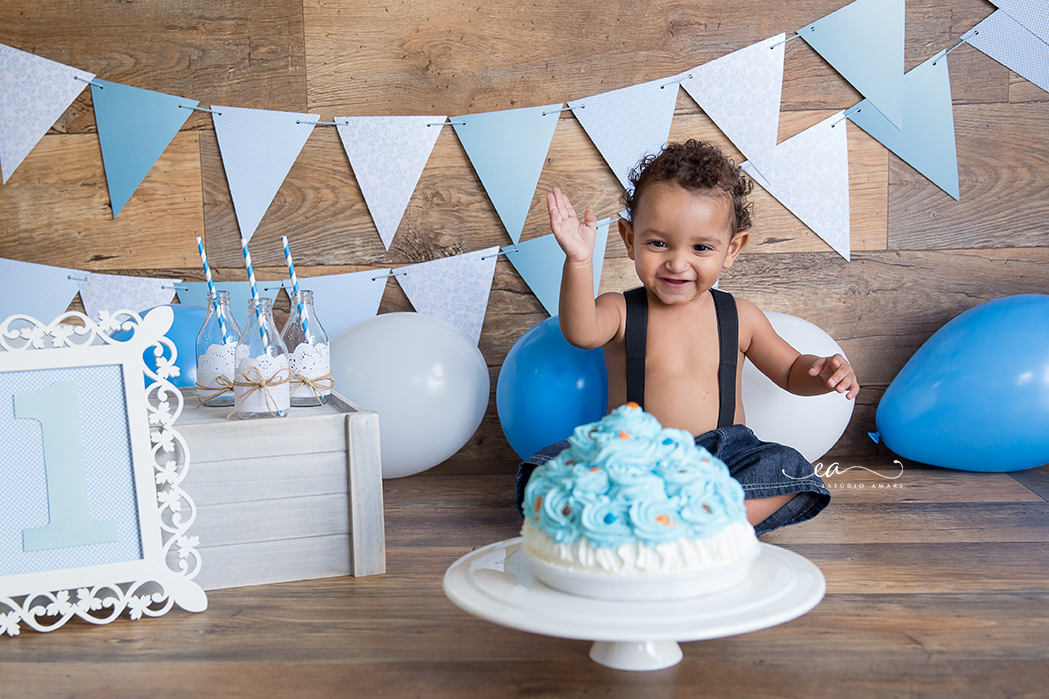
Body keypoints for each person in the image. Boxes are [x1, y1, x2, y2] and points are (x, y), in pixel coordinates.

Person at [514, 139, 860, 535]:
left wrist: (822, 373)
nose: (677, 262)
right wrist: (578, 260)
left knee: (788, 467)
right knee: (545, 470)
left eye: (701, 247)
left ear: (732, 249)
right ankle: (668, 522)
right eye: (658, 243)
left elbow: (790, 372)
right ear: (629, 238)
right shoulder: (621, 310)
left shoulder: (740, 316)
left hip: (722, 456)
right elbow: (580, 332)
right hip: (631, 456)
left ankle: (693, 527)